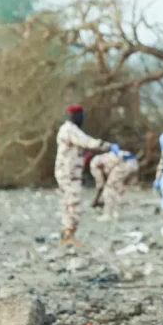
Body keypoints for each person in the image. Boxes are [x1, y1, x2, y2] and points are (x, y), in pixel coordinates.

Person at [54, 104, 111, 245]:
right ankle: (69, 236)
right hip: (69, 173)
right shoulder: (71, 130)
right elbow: (88, 142)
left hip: (67, 171)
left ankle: (66, 234)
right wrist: (106, 146)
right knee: (73, 203)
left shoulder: (66, 129)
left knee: (68, 203)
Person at [90, 145, 140, 221]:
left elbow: (100, 185)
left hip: (123, 163)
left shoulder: (94, 164)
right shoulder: (104, 158)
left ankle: (108, 215)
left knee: (109, 188)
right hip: (133, 162)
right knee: (119, 189)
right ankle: (116, 213)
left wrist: (95, 200)